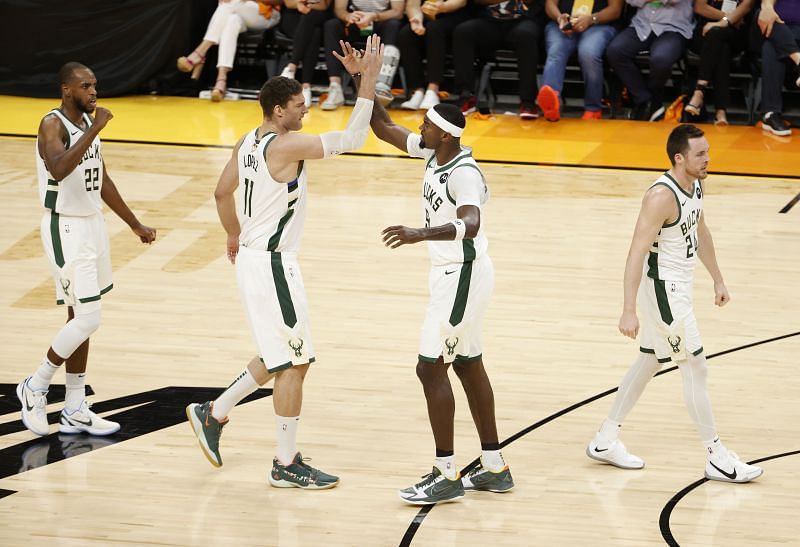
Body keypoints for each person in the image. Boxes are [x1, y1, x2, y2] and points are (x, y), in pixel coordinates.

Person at [185, 35, 384, 489]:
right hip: (273, 264)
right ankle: (285, 462)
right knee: (296, 362)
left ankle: (213, 412)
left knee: (281, 356)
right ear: (278, 110)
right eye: (298, 106)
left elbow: (221, 192)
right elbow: (354, 138)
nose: (305, 111)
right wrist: (367, 80)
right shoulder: (285, 145)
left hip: (257, 260)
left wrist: (233, 233)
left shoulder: (247, 141)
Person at [363, 63, 513, 504]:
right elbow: (383, 126)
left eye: (426, 124)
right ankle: (493, 466)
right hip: (455, 274)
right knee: (468, 365)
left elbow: (470, 220)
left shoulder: (463, 171)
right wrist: (364, 83)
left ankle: (446, 473)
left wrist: (420, 233)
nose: (419, 127)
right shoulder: (434, 152)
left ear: (445, 134)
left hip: (462, 274)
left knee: (430, 367)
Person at [586, 124, 763, 484]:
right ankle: (716, 456)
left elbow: (700, 229)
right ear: (679, 158)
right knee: (695, 366)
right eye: (700, 154)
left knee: (650, 359)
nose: (708, 158)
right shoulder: (660, 197)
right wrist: (628, 309)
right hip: (665, 290)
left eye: (707, 151)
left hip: (679, 286)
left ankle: (605, 438)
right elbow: (636, 252)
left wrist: (717, 277)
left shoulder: (696, 183)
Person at [17, 62, 157, 438]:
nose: (94, 92)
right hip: (65, 226)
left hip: (92, 224)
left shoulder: (85, 126)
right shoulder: (53, 124)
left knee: (81, 317)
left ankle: (75, 406)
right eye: (85, 86)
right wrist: (96, 127)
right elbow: (60, 168)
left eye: (95, 85)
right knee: (88, 317)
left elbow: (102, 177)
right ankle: (35, 385)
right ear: (66, 89)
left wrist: (134, 224)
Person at [452, 0, 547, 118]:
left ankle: (528, 102)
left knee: (526, 35)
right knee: (464, 31)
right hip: (489, 20)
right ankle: (465, 95)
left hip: (524, 20)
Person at [605, 0, 694, 121]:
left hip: (674, 27)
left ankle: (651, 102)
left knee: (661, 59)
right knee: (615, 51)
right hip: (641, 25)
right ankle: (646, 100)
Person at [177, 0, 282, 102]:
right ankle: (221, 78)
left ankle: (200, 53)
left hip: (267, 15)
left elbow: (281, 1)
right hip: (239, 13)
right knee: (232, 20)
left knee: (231, 2)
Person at [537, 0, 623, 120]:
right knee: (556, 50)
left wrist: (592, 19)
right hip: (563, 24)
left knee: (588, 52)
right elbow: (550, 4)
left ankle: (593, 109)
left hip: (599, 24)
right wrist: (559, 18)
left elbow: (615, 10)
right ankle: (552, 101)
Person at [321, 0, 405, 109]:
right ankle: (335, 86)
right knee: (332, 25)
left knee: (393, 25)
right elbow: (339, 9)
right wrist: (348, 16)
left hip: (380, 21)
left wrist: (375, 16)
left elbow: (397, 12)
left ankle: (382, 86)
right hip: (355, 23)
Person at [682, 0, 755, 126]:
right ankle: (721, 112)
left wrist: (726, 22)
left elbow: (747, 6)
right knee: (720, 44)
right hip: (706, 29)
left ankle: (699, 92)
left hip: (736, 32)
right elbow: (700, 8)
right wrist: (729, 18)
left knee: (717, 35)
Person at [396, 0, 472, 110]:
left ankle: (433, 90)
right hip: (428, 17)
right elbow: (412, 5)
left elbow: (461, 2)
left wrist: (442, 7)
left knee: (434, 29)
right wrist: (416, 19)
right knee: (406, 33)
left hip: (456, 17)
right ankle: (417, 91)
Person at [279, 0, 334, 107]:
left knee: (312, 22)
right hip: (293, 17)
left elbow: (324, 5)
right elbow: (288, 3)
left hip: (317, 16)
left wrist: (306, 4)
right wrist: (299, 3)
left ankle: (291, 67)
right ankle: (306, 86)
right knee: (314, 30)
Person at [757, 0, 800, 136]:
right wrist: (768, 7)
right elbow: (767, 4)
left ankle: (770, 113)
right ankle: (771, 112)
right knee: (767, 19)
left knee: (772, 46)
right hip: (775, 27)